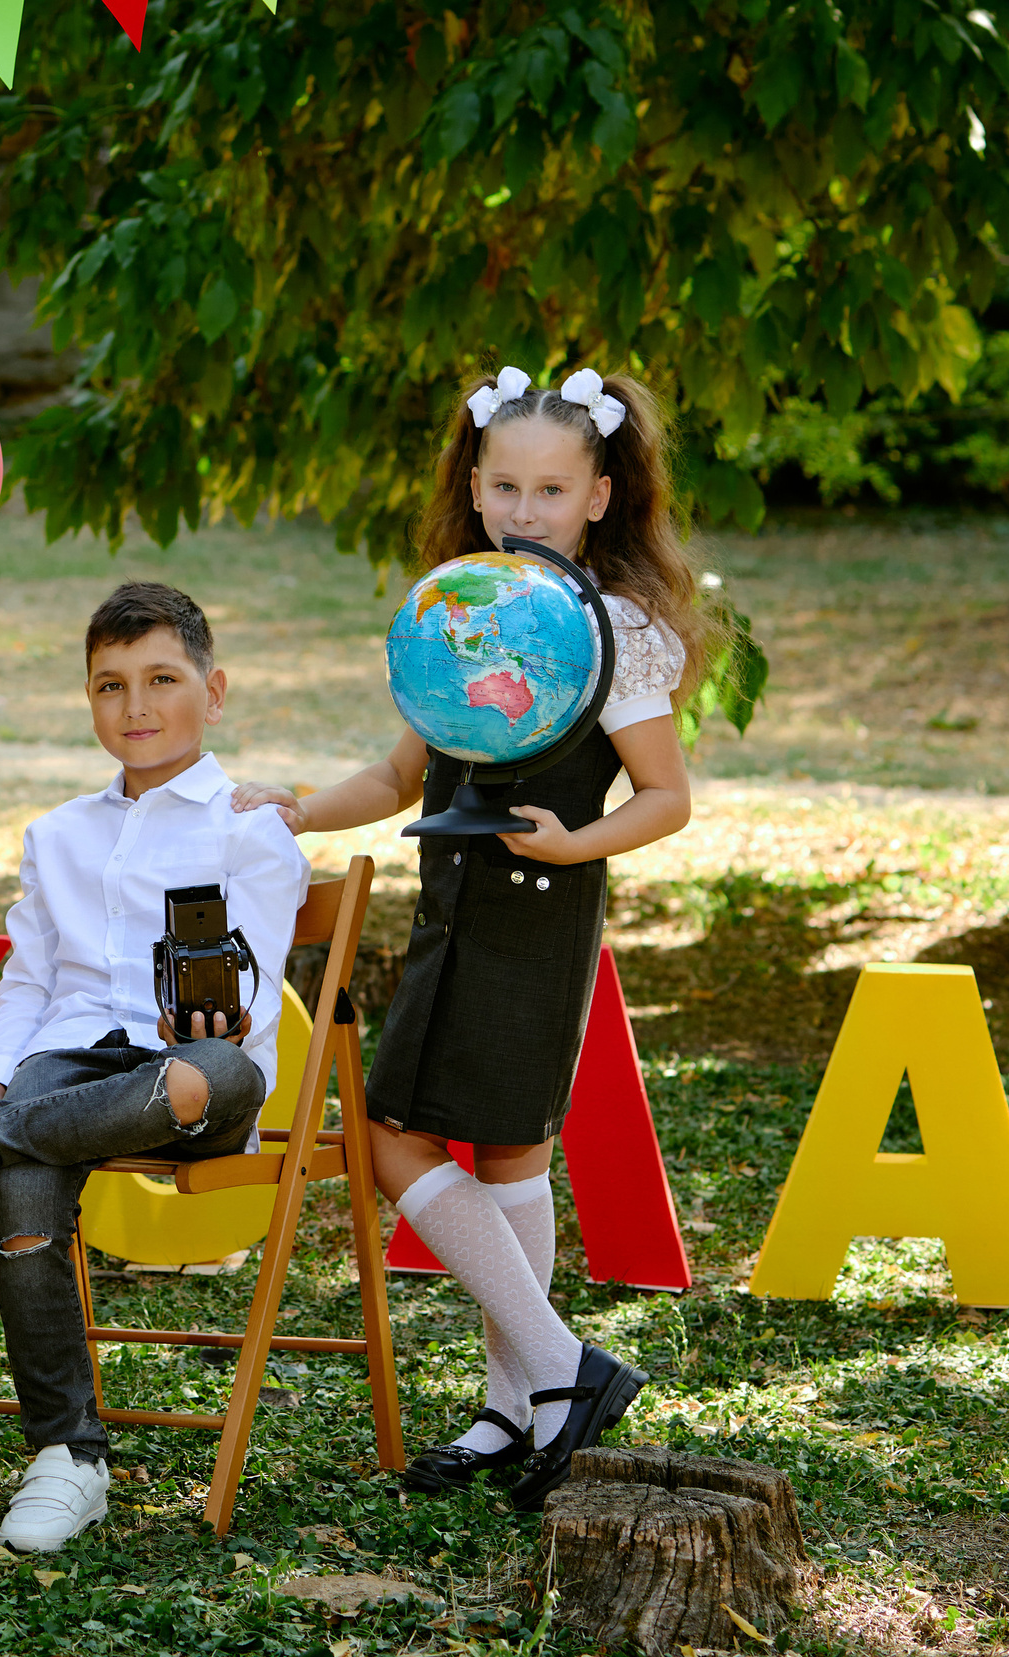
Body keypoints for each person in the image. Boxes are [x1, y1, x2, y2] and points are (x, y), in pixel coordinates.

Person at [233, 366, 715, 1511]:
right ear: (475, 486)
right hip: (450, 915)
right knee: (484, 1155)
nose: (523, 510)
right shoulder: (461, 612)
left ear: (599, 495)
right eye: (504, 486)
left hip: (537, 917)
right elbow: (399, 775)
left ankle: (553, 1372)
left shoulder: (614, 629)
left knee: (415, 1139)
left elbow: (666, 797)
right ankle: (525, 1408)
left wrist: (574, 843)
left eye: (550, 490)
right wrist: (297, 807)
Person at [0, 581, 307, 1553]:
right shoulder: (57, 835)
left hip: (197, 1078)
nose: (135, 705)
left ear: (213, 693)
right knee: (28, 1162)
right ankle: (67, 1456)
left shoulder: (249, 826)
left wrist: (204, 1017)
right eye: (109, 685)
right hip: (72, 1065)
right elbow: (29, 982)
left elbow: (248, 993)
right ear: (88, 700)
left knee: (202, 1073)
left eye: (161, 679)